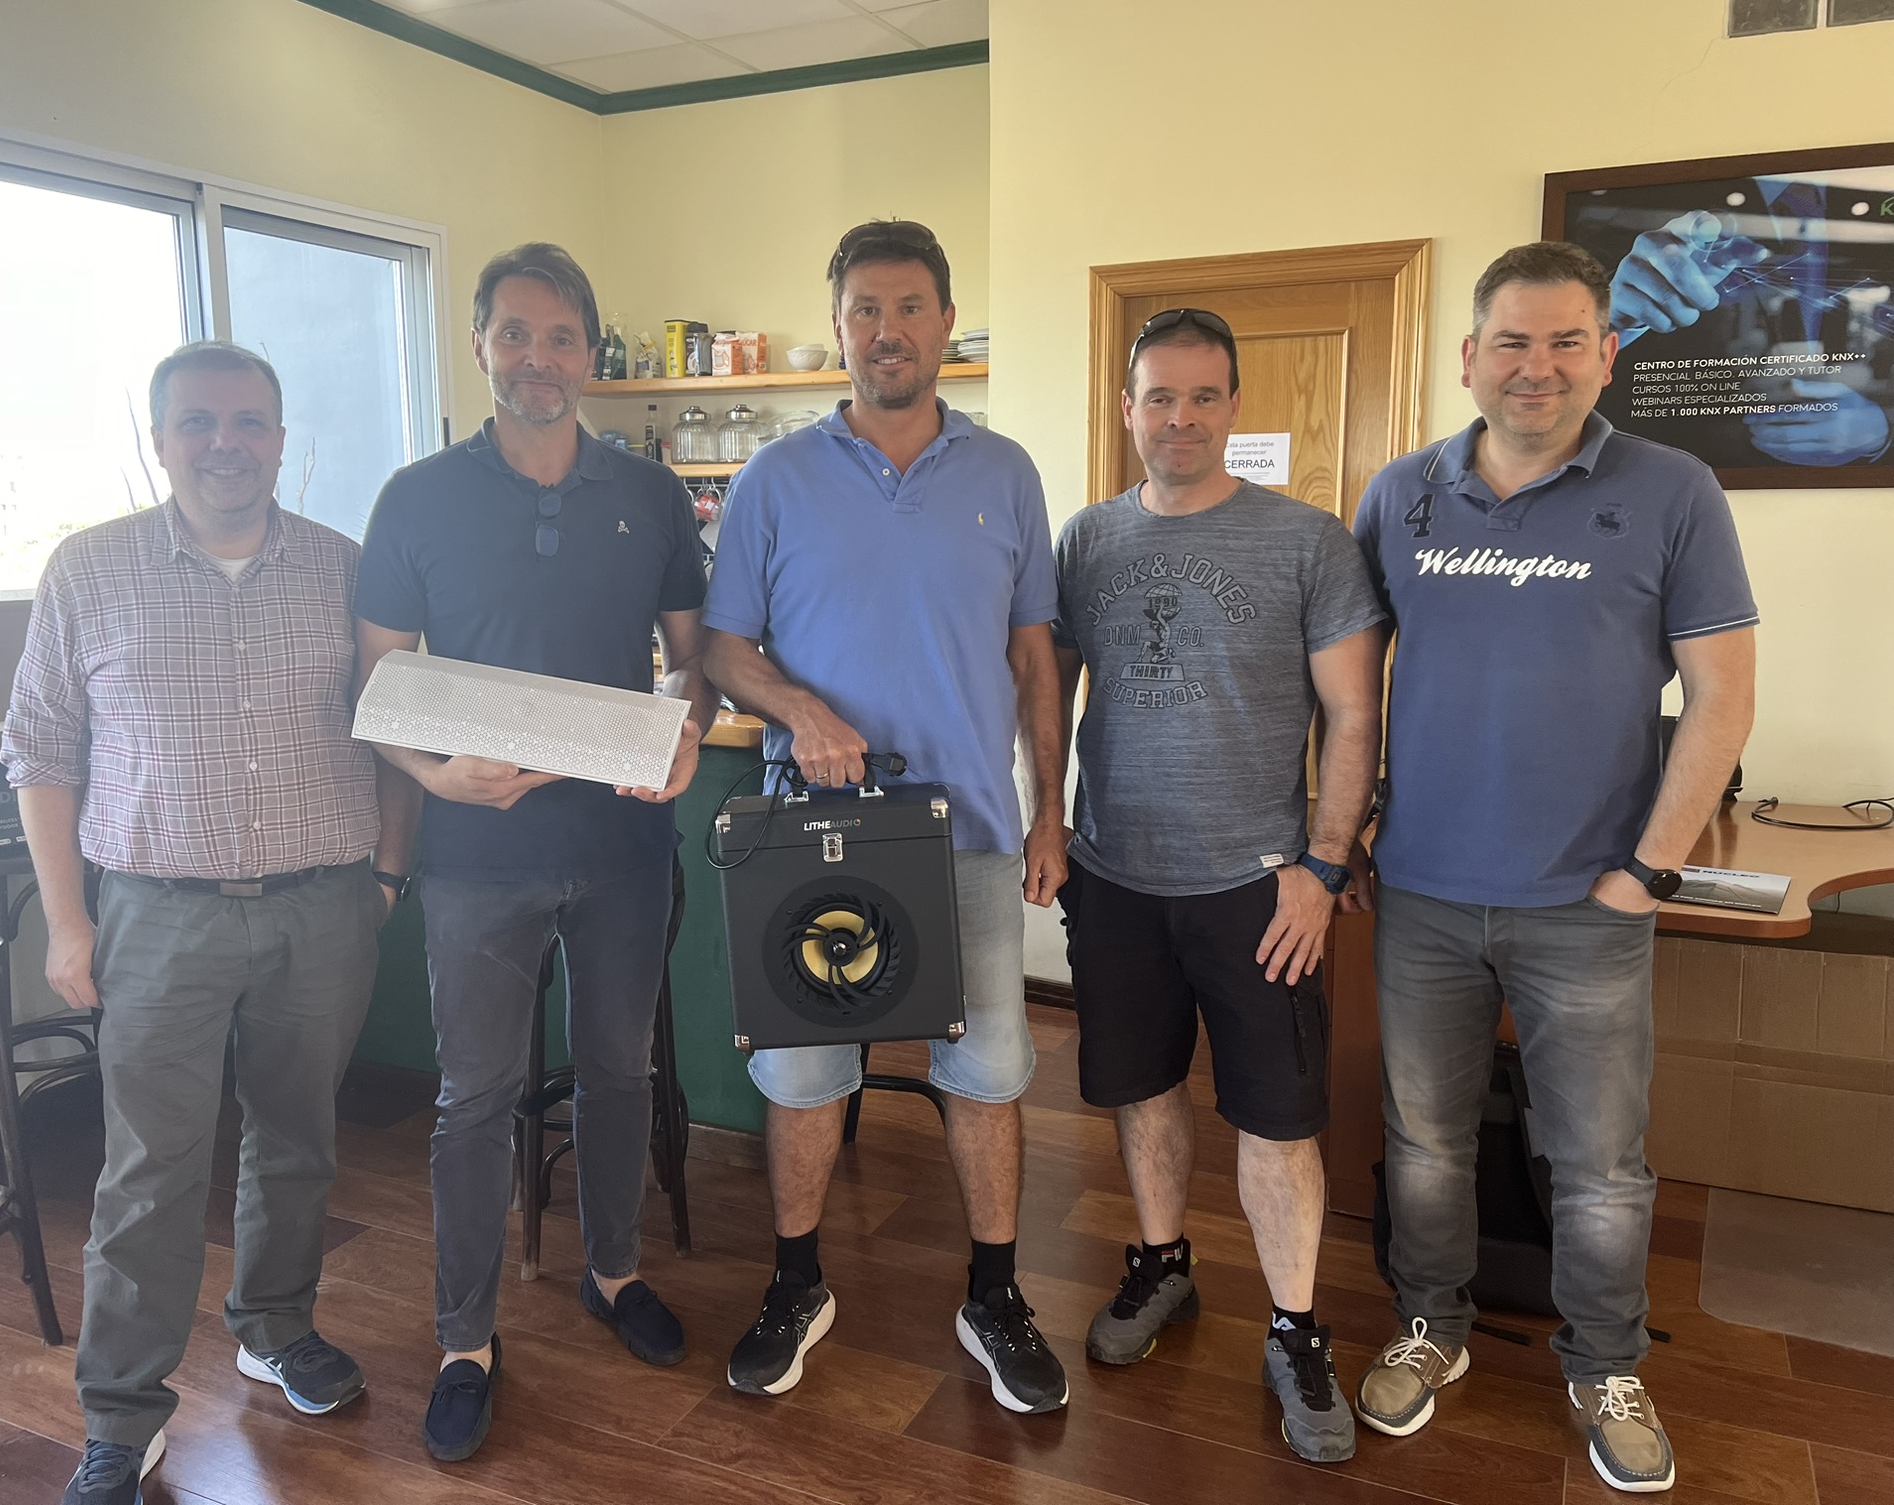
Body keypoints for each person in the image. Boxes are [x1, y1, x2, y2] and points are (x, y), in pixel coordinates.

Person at [1351, 242, 1758, 1494]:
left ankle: (1603, 1364)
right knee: (1424, 1142)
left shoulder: (1673, 489)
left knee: (1597, 1165)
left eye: (1564, 340)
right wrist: (1344, 828)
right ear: (1466, 357)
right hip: (1421, 893)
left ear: (1606, 353)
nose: (1536, 367)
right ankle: (1433, 1324)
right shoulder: (1399, 496)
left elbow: (1722, 698)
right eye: (1510, 342)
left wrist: (1648, 872)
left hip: (1589, 901)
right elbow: (1345, 685)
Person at [5, 342, 400, 1505]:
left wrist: (385, 877)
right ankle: (121, 1417)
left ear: (280, 437)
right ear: (159, 439)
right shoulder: (89, 569)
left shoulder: (345, 569)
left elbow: (396, 730)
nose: (225, 443)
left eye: (248, 422)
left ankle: (274, 1327)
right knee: (149, 1172)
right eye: (199, 422)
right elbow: (41, 749)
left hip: (322, 906)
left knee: (298, 1139)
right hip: (155, 914)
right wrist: (66, 924)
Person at [354, 242, 714, 1464]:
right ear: (479, 346)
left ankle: (612, 1274)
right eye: (514, 333)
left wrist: (686, 735)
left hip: (622, 844)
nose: (538, 358)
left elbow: (691, 660)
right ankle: (464, 1341)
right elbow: (376, 683)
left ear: (590, 353)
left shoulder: (649, 496)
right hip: (474, 854)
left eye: (560, 336)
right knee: (473, 1099)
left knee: (617, 1072)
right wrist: (430, 775)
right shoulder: (415, 498)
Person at [703, 219, 1070, 1414]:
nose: (887, 330)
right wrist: (799, 708)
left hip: (969, 833)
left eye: (909, 306)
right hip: (813, 834)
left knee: (987, 1070)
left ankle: (994, 1296)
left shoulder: (1005, 473)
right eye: (864, 308)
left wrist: (1049, 814)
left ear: (945, 323)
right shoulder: (772, 478)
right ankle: (795, 1284)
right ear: (839, 327)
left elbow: (1034, 657)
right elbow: (722, 648)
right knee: (804, 1071)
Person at [1050, 308, 1386, 1463]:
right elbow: (1046, 694)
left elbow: (1353, 715)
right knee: (1141, 1090)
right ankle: (1161, 1266)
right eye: (1159, 396)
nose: (1180, 418)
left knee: (1277, 1120)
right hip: (1113, 877)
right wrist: (1047, 823)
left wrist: (1321, 866)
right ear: (1127, 408)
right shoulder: (1086, 540)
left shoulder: (1306, 542)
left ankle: (1294, 1329)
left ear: (1233, 406)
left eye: (1202, 397)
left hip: (1259, 889)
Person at [1569, 173, 1894, 470]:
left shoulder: (1873, 197)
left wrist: (1881, 434)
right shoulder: (1633, 197)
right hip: (1674, 478)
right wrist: (1612, 320)